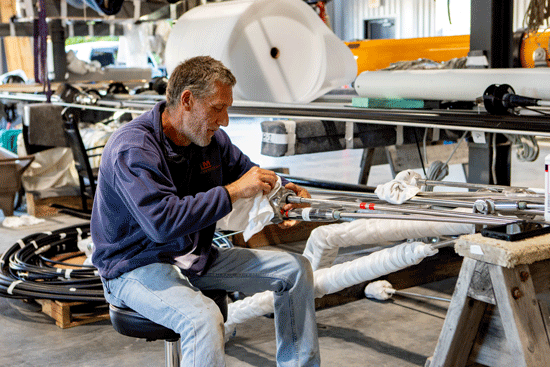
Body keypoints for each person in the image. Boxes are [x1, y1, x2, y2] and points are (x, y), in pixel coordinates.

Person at [90, 56, 320, 367]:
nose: (224, 120)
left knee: (296, 269)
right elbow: (163, 222)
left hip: (192, 257)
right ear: (187, 100)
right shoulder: (134, 148)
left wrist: (285, 189)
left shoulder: (209, 139)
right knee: (203, 319)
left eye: (227, 108)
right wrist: (234, 191)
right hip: (134, 266)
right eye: (217, 108)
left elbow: (248, 172)